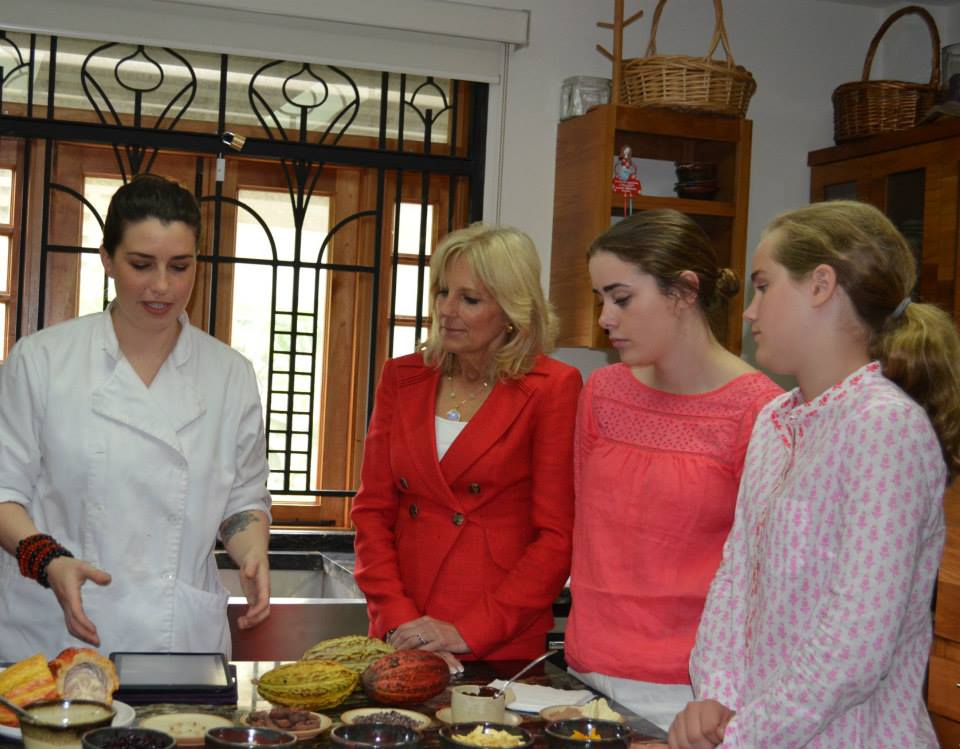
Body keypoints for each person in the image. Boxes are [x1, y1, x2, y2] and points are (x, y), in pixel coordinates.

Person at [669, 200, 960, 749]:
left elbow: (857, 643)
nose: (750, 312)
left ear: (821, 285)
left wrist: (747, 733)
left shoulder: (885, 428)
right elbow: (738, 576)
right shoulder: (775, 420)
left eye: (763, 286)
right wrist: (715, 695)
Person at [0, 174, 272, 660]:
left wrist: (251, 552)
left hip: (178, 640)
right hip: (54, 633)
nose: (162, 286)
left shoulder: (230, 374)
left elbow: (243, 500)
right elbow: (3, 493)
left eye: (180, 266)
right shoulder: (41, 361)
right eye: (141, 265)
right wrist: (48, 561)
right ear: (106, 260)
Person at [564, 209, 782, 731]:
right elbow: (586, 530)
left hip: (692, 696)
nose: (605, 318)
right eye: (601, 300)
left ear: (684, 291)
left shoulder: (761, 412)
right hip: (584, 674)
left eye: (621, 298)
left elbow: (764, 577)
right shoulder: (603, 392)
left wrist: (722, 697)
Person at [351, 223, 581, 672]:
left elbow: (556, 539)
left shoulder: (553, 387)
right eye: (442, 292)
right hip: (402, 633)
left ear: (513, 309)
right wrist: (400, 621)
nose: (446, 311)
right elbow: (372, 511)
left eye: (469, 299)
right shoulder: (403, 376)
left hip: (496, 638)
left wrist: (466, 632)